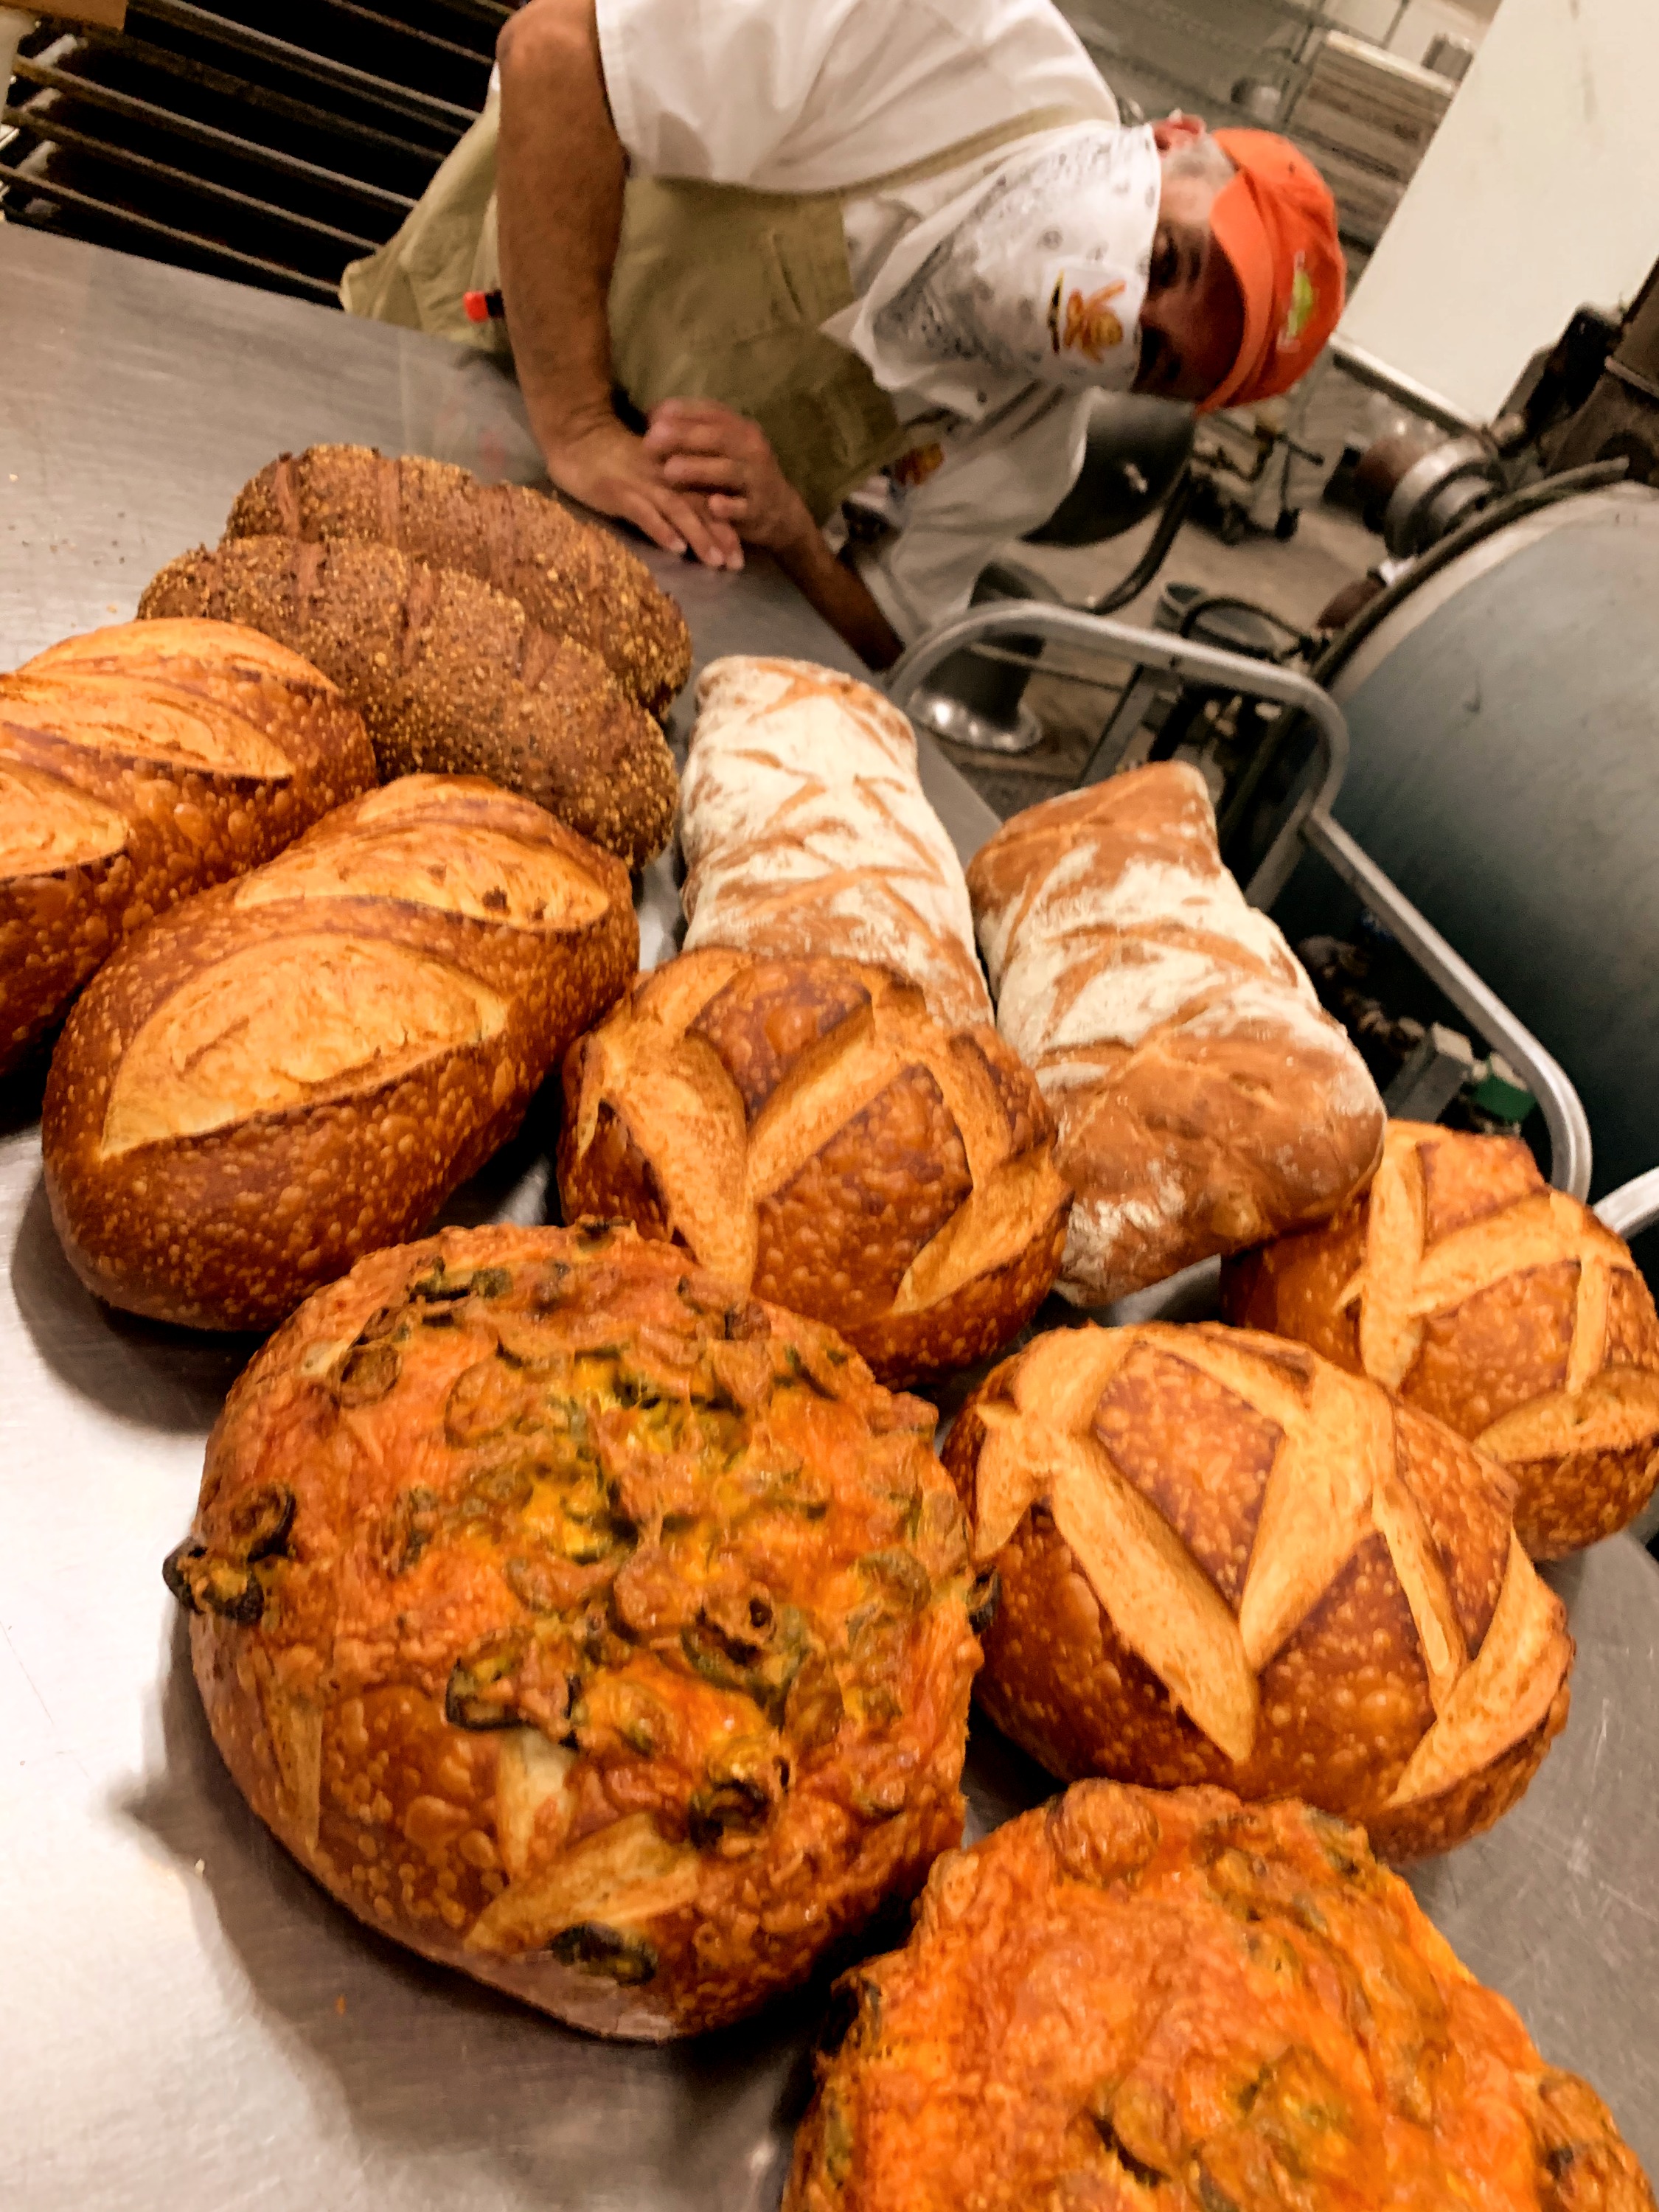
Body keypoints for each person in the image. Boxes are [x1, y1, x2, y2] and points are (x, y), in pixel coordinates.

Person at [343, 0, 1343, 669]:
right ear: (1169, 141)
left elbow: (892, 632)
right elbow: (555, 53)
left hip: (604, 590)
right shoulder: (933, 34)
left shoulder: (1030, 441)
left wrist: (791, 530)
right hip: (448, 371)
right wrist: (577, 423)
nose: (1122, 312)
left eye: (1153, 357)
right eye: (1166, 259)